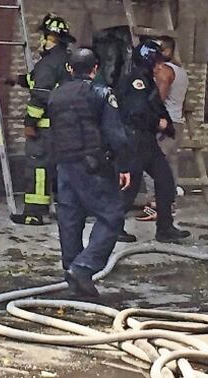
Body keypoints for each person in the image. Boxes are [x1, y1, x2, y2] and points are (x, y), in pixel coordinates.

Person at [48, 48, 131, 299]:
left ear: (70, 70)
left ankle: (72, 271)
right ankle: (83, 268)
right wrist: (124, 164)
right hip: (93, 165)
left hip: (64, 164)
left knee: (70, 218)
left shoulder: (56, 96)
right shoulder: (101, 93)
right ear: (95, 69)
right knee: (112, 215)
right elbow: (115, 133)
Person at [116, 40, 190, 243]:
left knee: (165, 180)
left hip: (147, 141)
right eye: (156, 63)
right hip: (133, 140)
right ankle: (112, 227)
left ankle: (165, 228)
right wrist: (159, 122)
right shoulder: (136, 81)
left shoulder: (148, 81)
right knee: (129, 186)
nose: (159, 67)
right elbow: (137, 111)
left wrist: (169, 127)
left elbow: (156, 105)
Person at [10, 13, 74, 226]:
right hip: (65, 127)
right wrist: (19, 80)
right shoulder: (67, 61)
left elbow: (41, 93)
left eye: (44, 37)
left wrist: (29, 122)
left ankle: (33, 213)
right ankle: (66, 210)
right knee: (60, 170)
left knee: (38, 168)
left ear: (50, 38)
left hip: (45, 128)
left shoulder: (48, 63)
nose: (42, 41)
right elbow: (40, 81)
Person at [136, 35, 189, 223]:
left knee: (152, 164)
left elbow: (158, 99)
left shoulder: (165, 71)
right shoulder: (181, 71)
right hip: (178, 122)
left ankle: (156, 204)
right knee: (169, 165)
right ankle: (169, 202)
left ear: (167, 51)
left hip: (165, 123)